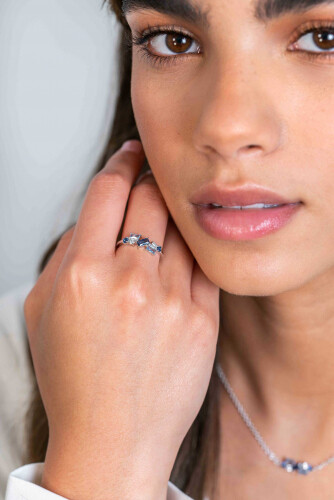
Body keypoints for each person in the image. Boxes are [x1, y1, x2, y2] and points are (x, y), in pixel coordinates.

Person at [4, 0, 334, 498]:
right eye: (172, 40)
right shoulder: (17, 369)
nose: (225, 128)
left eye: (323, 39)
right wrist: (102, 458)